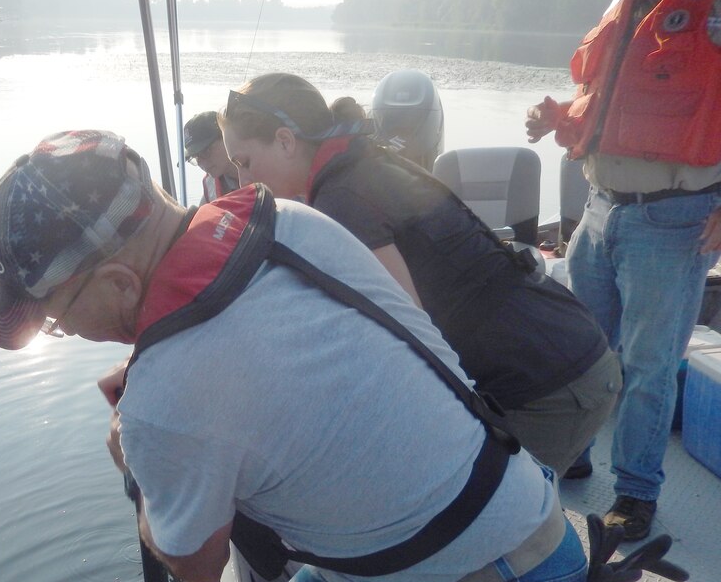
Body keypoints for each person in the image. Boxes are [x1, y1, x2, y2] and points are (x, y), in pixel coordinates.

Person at [0, 129, 594, 582]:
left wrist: (131, 457)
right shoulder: (289, 224)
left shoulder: (162, 408)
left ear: (118, 281)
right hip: (518, 520)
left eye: (56, 316)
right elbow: (236, 330)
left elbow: (198, 561)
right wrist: (155, 367)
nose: (67, 332)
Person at [218, 72, 623, 478]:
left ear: (286, 141)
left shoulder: (342, 197)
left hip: (550, 387)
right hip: (568, 349)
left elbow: (408, 331)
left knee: (494, 524)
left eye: (245, 162)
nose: (241, 182)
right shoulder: (362, 161)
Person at [525, 0, 721, 540]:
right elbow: (612, 94)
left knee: (648, 365)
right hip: (598, 206)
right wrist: (560, 116)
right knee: (582, 349)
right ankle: (574, 452)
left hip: (673, 221)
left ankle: (636, 493)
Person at [183, 110, 239, 203]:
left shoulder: (263, 164)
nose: (202, 163)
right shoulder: (210, 192)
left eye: (206, 151)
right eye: (195, 157)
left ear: (226, 136)